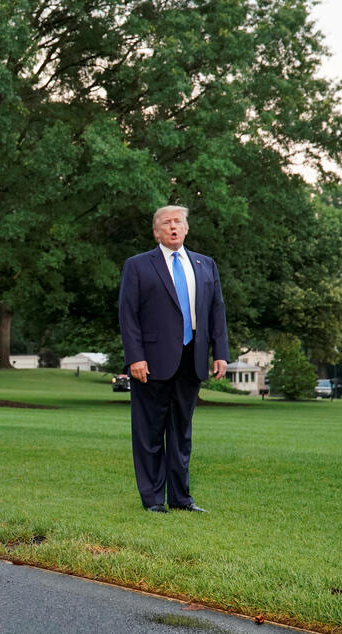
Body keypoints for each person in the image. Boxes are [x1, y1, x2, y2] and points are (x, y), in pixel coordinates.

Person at [118, 205, 229, 514]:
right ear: (156, 232)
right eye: (166, 223)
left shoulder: (205, 265)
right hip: (150, 362)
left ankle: (181, 499)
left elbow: (216, 311)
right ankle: (153, 500)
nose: (173, 227)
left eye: (178, 222)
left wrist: (220, 353)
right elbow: (127, 316)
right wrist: (135, 358)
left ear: (186, 228)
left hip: (192, 358)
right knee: (149, 432)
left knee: (181, 432)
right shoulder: (138, 266)